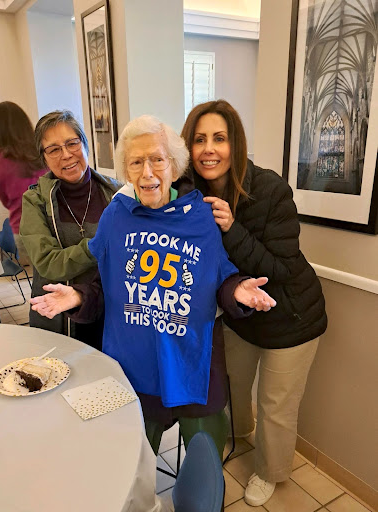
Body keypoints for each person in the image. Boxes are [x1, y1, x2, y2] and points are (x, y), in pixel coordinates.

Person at [30, 115, 276, 460]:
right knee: (132, 466)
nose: (147, 173)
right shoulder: (116, 216)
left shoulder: (200, 216)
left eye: (157, 159)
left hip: (193, 368)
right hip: (135, 368)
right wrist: (77, 296)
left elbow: (219, 276)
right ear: (126, 173)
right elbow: (105, 282)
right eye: (136, 162)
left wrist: (237, 291)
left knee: (205, 465)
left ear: (174, 166)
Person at [178, 100, 327, 507]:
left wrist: (230, 227)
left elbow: (279, 267)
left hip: (292, 317)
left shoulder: (269, 188)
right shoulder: (190, 191)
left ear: (235, 144)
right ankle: (239, 433)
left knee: (275, 406)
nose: (209, 149)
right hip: (241, 315)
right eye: (199, 139)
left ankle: (269, 471)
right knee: (233, 384)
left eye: (220, 139)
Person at [20, 110, 120, 349]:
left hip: (111, 312)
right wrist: (98, 245)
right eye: (53, 149)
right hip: (59, 318)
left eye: (72, 143)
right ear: (44, 159)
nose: (66, 155)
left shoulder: (117, 194)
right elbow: (49, 263)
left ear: (85, 145)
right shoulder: (35, 200)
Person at [0, 101, 47, 264]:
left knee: (41, 283)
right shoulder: (43, 151)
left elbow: (5, 200)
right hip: (53, 224)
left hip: (22, 227)